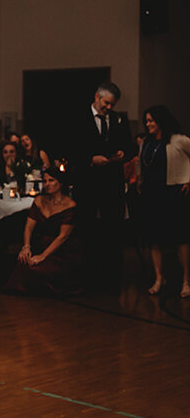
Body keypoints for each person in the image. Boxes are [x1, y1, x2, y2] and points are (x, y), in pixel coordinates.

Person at [69, 80, 134, 291]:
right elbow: (68, 148)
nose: (108, 108)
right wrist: (90, 159)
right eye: (106, 103)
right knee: (87, 230)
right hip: (87, 183)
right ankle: (88, 277)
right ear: (97, 96)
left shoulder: (119, 120)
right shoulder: (77, 117)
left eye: (112, 105)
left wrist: (124, 154)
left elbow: (130, 146)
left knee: (112, 231)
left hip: (112, 183)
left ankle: (112, 278)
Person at [5, 164, 81, 296]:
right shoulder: (39, 200)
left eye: (51, 180)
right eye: (45, 181)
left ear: (60, 183)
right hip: (40, 244)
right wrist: (26, 247)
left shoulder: (69, 205)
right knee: (23, 262)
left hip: (61, 251)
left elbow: (63, 236)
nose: (47, 184)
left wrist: (43, 256)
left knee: (37, 267)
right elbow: (29, 226)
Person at [138, 105, 190, 298]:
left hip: (173, 193)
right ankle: (159, 278)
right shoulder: (146, 141)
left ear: (161, 120)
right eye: (147, 121)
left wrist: (189, 178)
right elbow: (140, 163)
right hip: (152, 194)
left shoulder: (178, 140)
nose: (148, 124)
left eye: (151, 120)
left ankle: (186, 280)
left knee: (180, 238)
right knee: (154, 238)